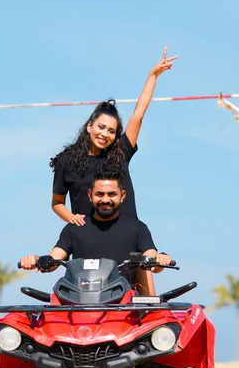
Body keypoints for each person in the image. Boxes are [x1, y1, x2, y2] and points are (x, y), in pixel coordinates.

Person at [48, 46, 177, 291]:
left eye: (111, 131)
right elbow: (57, 203)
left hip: (130, 244)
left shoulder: (119, 156)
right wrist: (72, 219)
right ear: (89, 126)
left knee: (147, 304)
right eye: (100, 127)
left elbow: (138, 116)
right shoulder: (66, 162)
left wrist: (153, 76)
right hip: (89, 247)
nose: (105, 134)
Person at [21, 171, 172, 288]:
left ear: (122, 196)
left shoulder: (138, 228)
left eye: (111, 194)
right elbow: (53, 260)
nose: (105, 199)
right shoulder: (75, 228)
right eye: (100, 194)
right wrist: (37, 261)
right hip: (80, 306)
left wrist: (160, 259)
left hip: (125, 310)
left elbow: (152, 261)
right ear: (90, 195)